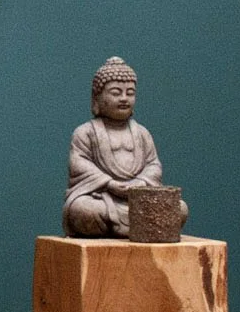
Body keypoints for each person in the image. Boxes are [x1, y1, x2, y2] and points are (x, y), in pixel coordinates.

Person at [63, 57, 172, 237]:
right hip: (102, 198)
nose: (124, 99)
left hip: (137, 200)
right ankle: (126, 226)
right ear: (97, 97)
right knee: (83, 211)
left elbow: (154, 165)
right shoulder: (85, 132)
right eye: (115, 93)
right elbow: (78, 164)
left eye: (130, 93)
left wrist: (140, 183)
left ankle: (133, 225)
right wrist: (109, 183)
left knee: (179, 209)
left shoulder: (142, 133)